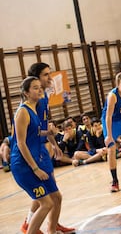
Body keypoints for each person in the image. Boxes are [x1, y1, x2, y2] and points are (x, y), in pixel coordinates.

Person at [21, 62, 74, 234]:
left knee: (51, 191)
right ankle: (29, 224)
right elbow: (32, 132)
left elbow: (44, 126)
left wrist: (54, 144)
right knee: (46, 194)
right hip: (32, 151)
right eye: (46, 74)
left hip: (41, 148)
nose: (50, 78)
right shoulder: (30, 103)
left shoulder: (44, 97)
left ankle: (52, 224)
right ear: (36, 78)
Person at [11, 77, 62, 234]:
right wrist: (35, 168)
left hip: (36, 161)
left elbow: (36, 133)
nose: (40, 90)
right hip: (24, 166)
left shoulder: (35, 110)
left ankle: (51, 230)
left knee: (56, 197)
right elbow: (21, 143)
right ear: (26, 93)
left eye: (40, 87)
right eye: (35, 88)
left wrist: (50, 133)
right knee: (46, 203)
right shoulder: (22, 112)